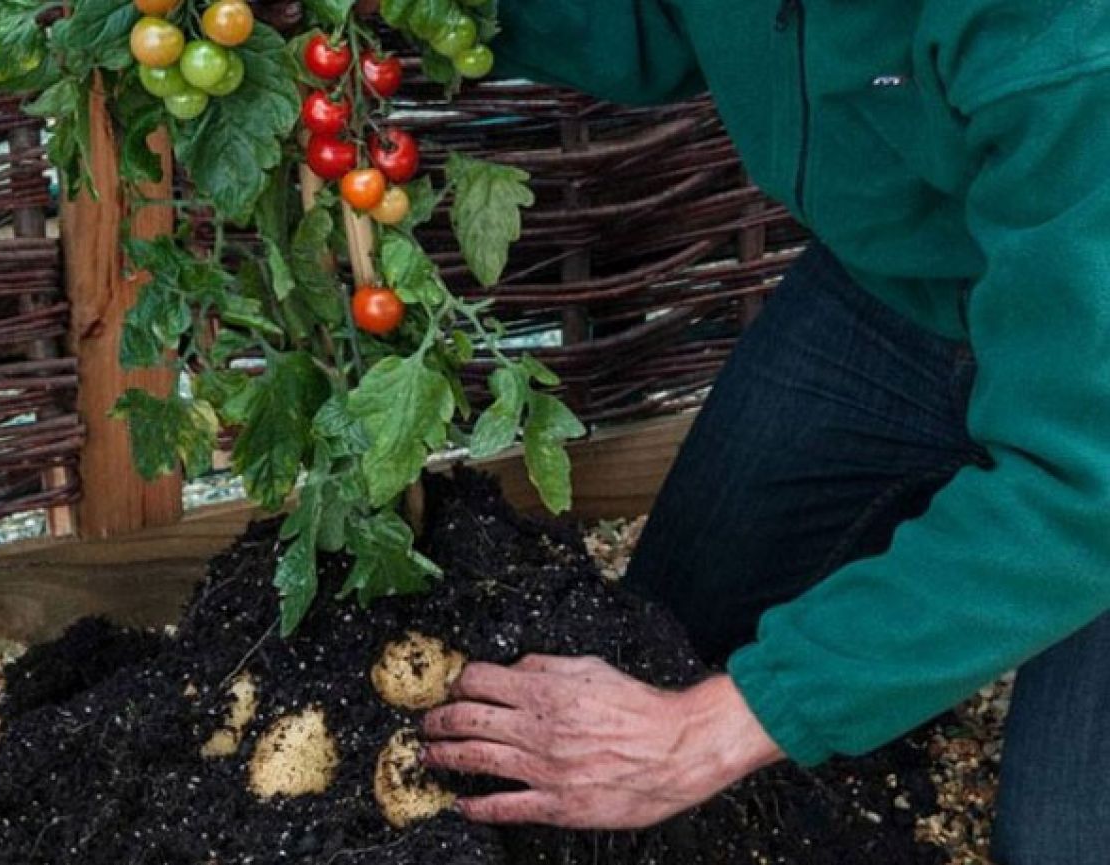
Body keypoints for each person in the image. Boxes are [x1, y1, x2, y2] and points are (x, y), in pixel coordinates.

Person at [418, 3, 1110, 862]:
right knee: (665, 638)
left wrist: (710, 732)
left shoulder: (1065, 34)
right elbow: (653, 25)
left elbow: (1086, 483)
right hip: (897, 288)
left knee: (1063, 840)